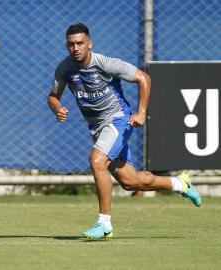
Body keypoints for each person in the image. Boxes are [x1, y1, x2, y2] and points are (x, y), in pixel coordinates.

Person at [47, 23, 201, 240]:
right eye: (71, 44)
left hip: (119, 119)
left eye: (80, 43)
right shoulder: (64, 69)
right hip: (99, 129)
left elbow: (143, 78)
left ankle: (104, 224)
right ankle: (179, 184)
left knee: (97, 161)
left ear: (89, 44)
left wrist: (141, 112)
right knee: (130, 182)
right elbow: (53, 95)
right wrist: (57, 108)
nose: (76, 48)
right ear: (66, 45)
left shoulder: (106, 64)